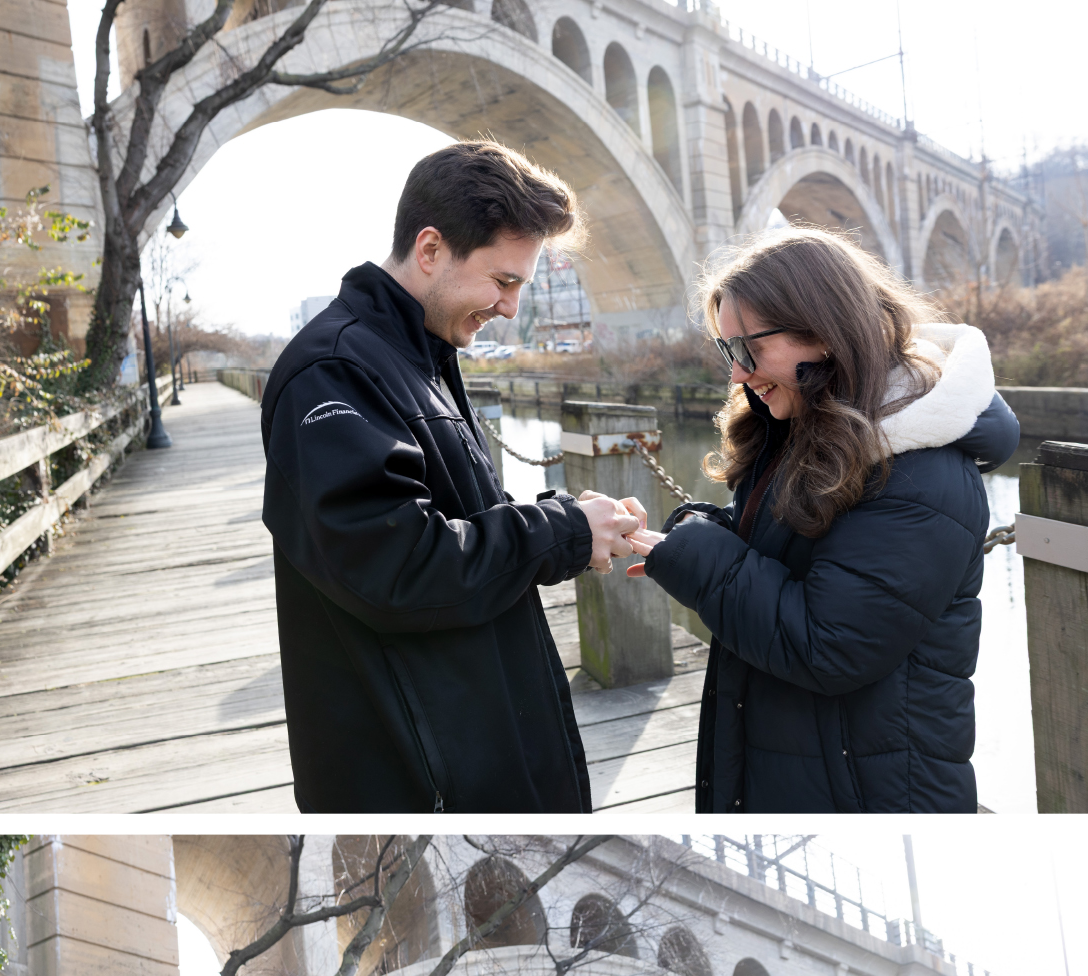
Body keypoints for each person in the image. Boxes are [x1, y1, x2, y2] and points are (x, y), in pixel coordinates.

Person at [261, 140, 642, 813]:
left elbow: (455, 517)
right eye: (503, 282)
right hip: (423, 779)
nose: (511, 308)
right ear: (431, 249)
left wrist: (571, 519)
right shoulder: (335, 370)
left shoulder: (418, 356)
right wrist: (560, 533)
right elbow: (399, 565)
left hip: (468, 750)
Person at [622, 226, 1021, 813]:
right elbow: (795, 563)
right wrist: (687, 538)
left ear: (825, 333)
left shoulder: (922, 473)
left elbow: (829, 645)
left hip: (872, 795)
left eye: (750, 349)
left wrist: (697, 556)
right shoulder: (801, 431)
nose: (738, 373)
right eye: (728, 351)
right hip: (808, 766)